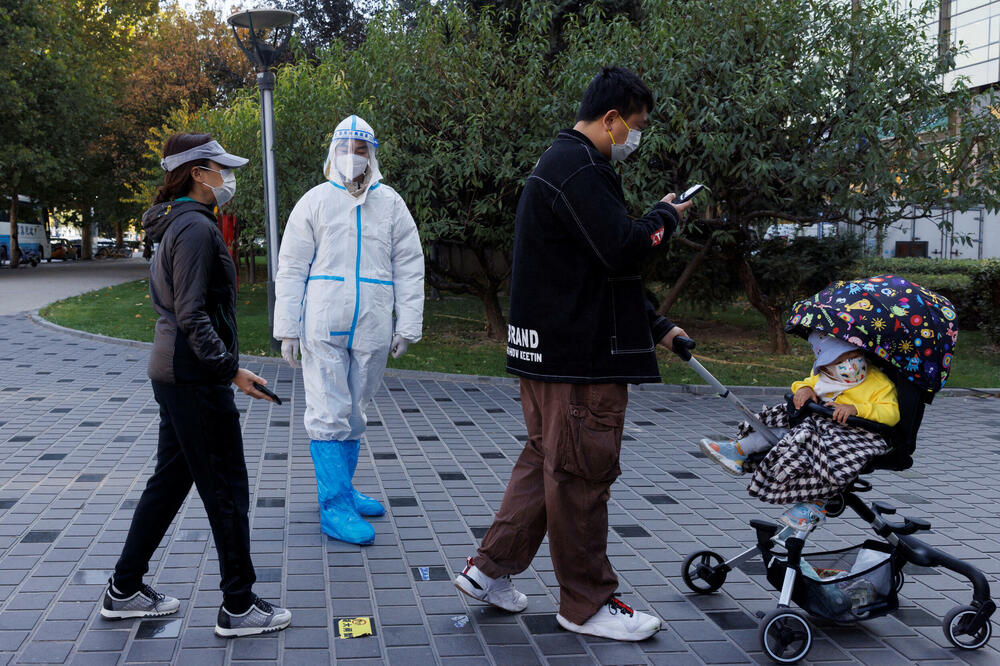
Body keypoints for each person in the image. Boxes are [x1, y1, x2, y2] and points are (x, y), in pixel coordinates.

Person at [452, 67, 692, 642]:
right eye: (634, 127)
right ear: (610, 120)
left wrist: (654, 325)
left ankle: (488, 571)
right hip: (580, 363)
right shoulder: (583, 168)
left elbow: (587, 270)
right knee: (582, 473)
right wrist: (667, 217)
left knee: (546, 461)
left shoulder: (559, 165)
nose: (634, 139)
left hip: (548, 356)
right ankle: (586, 602)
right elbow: (623, 251)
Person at [101, 133, 291, 638]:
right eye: (219, 168)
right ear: (196, 173)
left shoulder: (180, 224)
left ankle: (123, 589)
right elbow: (191, 313)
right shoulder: (192, 229)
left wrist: (225, 368)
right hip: (191, 376)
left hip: (180, 373)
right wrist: (228, 370)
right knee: (226, 489)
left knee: (170, 482)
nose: (227, 177)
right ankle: (238, 605)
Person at [274, 115, 424, 546]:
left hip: (373, 321)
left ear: (372, 155)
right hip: (323, 321)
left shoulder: (391, 204)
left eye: (361, 149)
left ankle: (344, 488)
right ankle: (334, 507)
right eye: (345, 148)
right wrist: (287, 328)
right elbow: (291, 267)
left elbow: (410, 266)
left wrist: (408, 324)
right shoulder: (315, 201)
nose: (352, 157)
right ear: (332, 153)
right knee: (327, 410)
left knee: (356, 408)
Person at [700, 330, 900, 532]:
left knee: (827, 454)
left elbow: (891, 412)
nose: (850, 364)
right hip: (819, 425)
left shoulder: (878, 382)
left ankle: (815, 503)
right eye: (840, 360)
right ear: (825, 366)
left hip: (857, 433)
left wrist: (858, 409)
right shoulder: (824, 377)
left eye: (854, 356)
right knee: (783, 420)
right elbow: (805, 382)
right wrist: (805, 389)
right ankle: (739, 451)